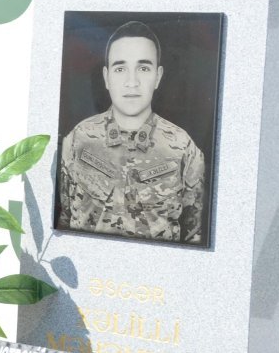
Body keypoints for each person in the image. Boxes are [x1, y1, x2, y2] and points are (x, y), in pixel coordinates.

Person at [57, 20, 206, 243]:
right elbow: (65, 221)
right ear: (107, 77)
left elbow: (193, 236)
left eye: (143, 68)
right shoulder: (79, 140)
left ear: (158, 76)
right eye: (120, 68)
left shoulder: (184, 149)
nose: (132, 82)